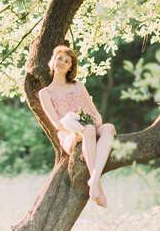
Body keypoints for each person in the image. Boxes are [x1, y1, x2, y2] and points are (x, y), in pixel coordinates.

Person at [38, 45, 116, 207]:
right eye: (59, 58)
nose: (62, 62)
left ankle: (94, 180)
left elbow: (96, 113)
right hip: (69, 132)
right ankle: (97, 187)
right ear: (52, 61)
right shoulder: (45, 92)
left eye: (67, 61)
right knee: (87, 129)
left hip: (90, 125)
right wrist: (76, 125)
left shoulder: (78, 85)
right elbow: (58, 124)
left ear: (70, 67)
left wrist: (95, 122)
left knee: (108, 127)